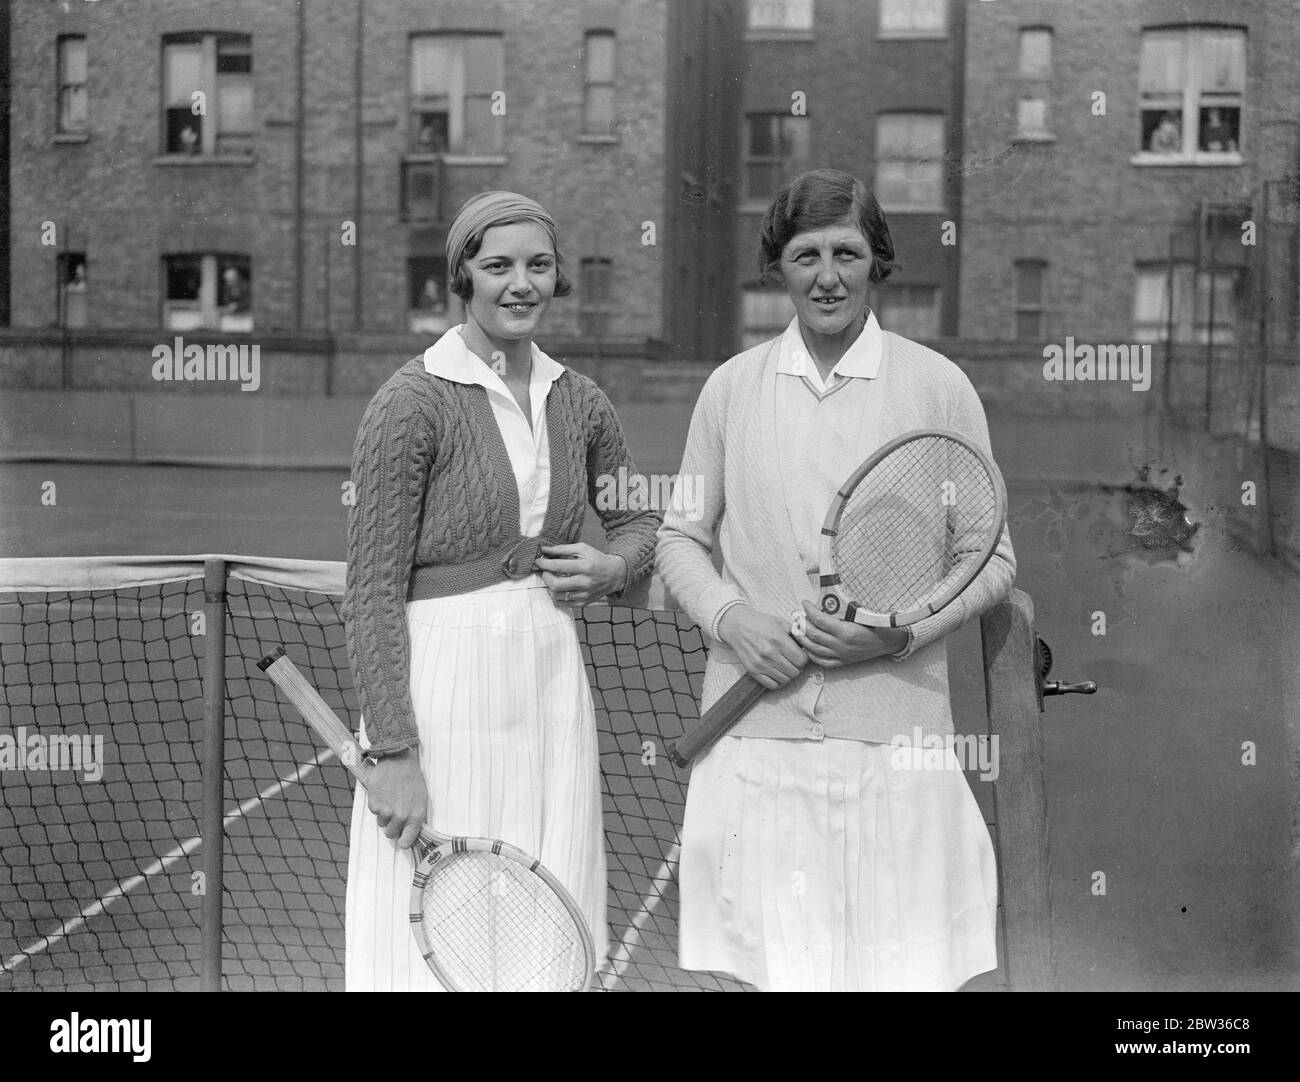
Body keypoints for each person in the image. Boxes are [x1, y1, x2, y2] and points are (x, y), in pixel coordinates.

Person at [657, 169, 1016, 992]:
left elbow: (990, 556)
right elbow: (681, 537)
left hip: (898, 741)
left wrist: (900, 633)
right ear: (777, 267)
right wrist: (730, 618)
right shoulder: (729, 390)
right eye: (805, 254)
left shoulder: (938, 386)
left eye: (847, 253)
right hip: (756, 738)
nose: (827, 276)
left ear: (877, 261)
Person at [342, 190, 661, 990]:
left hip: (549, 686)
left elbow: (642, 519)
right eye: (498, 266)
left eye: (538, 265)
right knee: (427, 935)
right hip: (441, 695)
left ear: (557, 278)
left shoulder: (580, 400)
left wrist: (616, 565)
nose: (520, 284)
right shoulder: (411, 401)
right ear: (464, 277)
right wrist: (393, 752)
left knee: (545, 912)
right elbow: (372, 589)